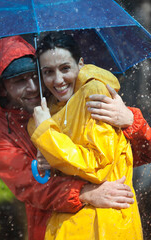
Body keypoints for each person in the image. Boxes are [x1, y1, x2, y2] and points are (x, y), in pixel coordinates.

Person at [0, 35, 136, 240]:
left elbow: (136, 151)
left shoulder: (64, 92)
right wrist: (84, 194)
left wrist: (130, 119)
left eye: (35, 76)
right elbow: (28, 185)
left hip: (105, 220)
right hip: (47, 225)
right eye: (20, 81)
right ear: (2, 87)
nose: (33, 87)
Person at [29, 32, 143, 239]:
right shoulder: (43, 115)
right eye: (48, 72)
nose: (58, 80)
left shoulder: (94, 92)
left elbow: (98, 167)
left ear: (80, 64)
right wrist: (46, 164)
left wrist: (47, 135)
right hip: (65, 226)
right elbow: (49, 185)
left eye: (65, 68)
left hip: (106, 224)